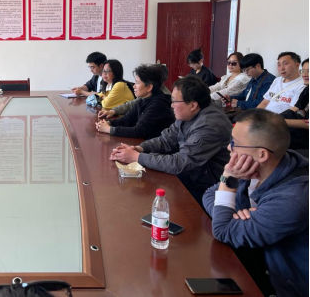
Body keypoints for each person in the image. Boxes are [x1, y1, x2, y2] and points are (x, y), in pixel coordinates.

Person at [202, 109, 309, 297]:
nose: (229, 148)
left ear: (262, 154)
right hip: (258, 263)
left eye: (234, 143)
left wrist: (228, 181)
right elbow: (210, 194)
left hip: (287, 287)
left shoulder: (292, 200)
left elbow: (222, 230)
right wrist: (231, 212)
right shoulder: (255, 168)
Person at [109, 76, 232, 205]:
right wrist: (139, 148)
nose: (171, 105)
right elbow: (166, 139)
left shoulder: (209, 125)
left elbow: (180, 163)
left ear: (193, 105)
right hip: (191, 177)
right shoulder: (188, 114)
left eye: (174, 101)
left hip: (207, 189)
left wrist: (137, 157)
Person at [96, 65, 175, 140]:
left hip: (154, 147)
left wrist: (109, 129)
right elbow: (127, 119)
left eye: (137, 82)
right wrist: (108, 123)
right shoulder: (143, 99)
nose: (134, 86)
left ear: (149, 87)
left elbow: (139, 131)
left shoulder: (158, 104)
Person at [98, 64, 171, 119]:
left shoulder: (163, 98)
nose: (134, 86)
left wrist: (110, 129)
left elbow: (141, 129)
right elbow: (132, 104)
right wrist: (113, 111)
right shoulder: (148, 93)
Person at [282, 58, 309, 150]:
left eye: (309, 71)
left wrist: (279, 121)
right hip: (298, 129)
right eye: (303, 71)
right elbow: (295, 108)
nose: (304, 75)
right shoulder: (307, 89)